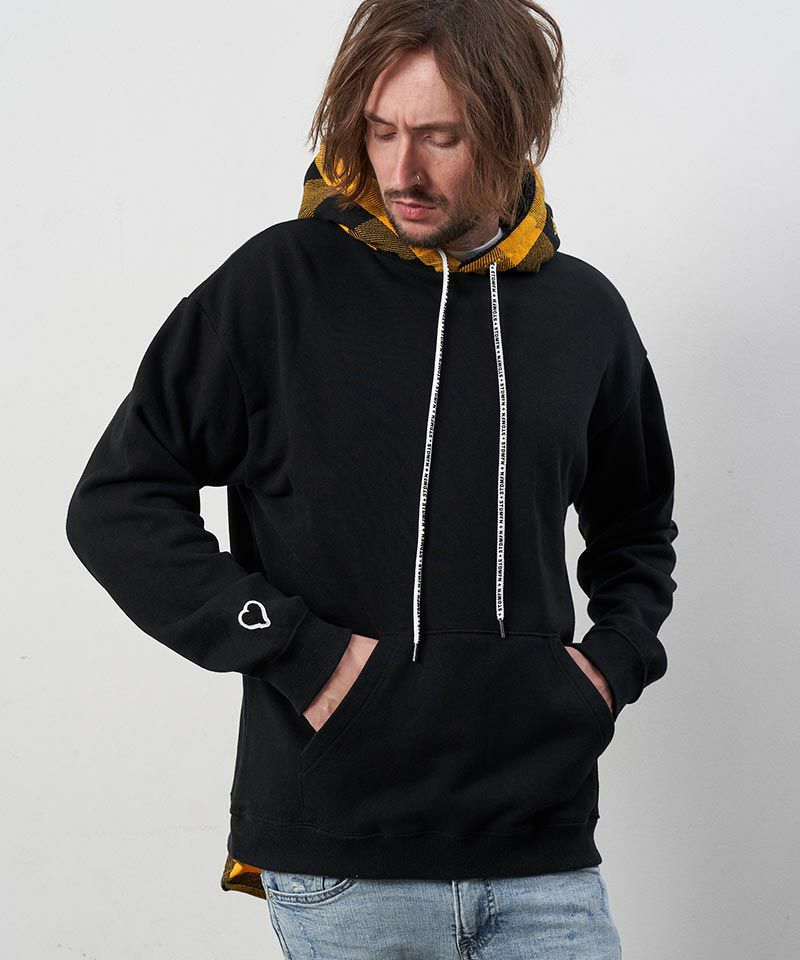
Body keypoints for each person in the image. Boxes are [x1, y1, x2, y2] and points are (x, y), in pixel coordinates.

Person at [65, 1, 678, 956]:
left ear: (512, 131)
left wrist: (611, 666)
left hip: (544, 853)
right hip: (344, 860)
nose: (401, 171)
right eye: (381, 130)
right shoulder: (279, 285)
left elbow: (636, 528)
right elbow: (116, 501)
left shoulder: (584, 313)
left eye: (441, 137)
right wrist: (299, 653)